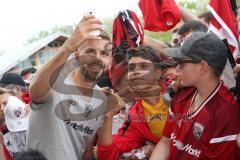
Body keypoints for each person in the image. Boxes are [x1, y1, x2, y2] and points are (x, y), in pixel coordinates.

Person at [27, 15, 114, 160]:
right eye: (90, 51)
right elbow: (35, 92)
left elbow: (86, 151)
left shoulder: (101, 100)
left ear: (110, 61)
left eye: (104, 53)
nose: (97, 58)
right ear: (77, 56)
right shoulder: (56, 82)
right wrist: (68, 45)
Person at [150, 32, 240, 160]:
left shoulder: (226, 112)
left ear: (203, 67)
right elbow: (166, 142)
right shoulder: (182, 93)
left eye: (182, 63)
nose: (177, 70)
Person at [97, 46, 169, 160]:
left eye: (144, 66)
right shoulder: (135, 115)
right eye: (131, 68)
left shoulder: (181, 91)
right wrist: (108, 115)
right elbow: (107, 155)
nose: (136, 72)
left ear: (157, 73)